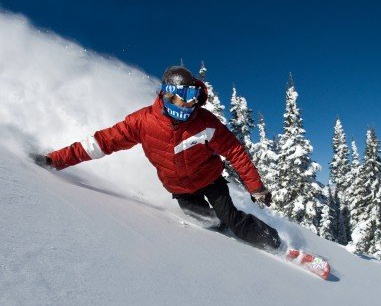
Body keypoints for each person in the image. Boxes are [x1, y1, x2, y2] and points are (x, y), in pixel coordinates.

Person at [32, 66, 281, 251]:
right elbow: (101, 143)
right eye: (183, 97)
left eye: (193, 97)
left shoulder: (205, 122)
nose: (189, 104)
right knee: (209, 224)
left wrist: (256, 187)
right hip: (180, 189)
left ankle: (275, 244)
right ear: (168, 95)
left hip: (210, 180)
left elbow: (234, 151)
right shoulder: (142, 122)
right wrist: (56, 160)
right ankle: (230, 239)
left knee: (233, 219)